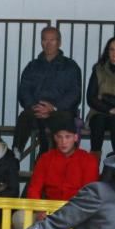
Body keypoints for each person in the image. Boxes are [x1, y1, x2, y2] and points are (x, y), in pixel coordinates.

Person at [13, 26, 82, 157]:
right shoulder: (32, 66)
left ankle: (56, 158)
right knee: (24, 117)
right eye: (45, 40)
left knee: (65, 119)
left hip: (60, 112)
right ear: (41, 42)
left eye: (52, 40)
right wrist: (35, 107)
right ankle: (16, 153)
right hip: (36, 110)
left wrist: (54, 108)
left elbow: (75, 94)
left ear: (59, 42)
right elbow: (24, 90)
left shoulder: (71, 66)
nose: (48, 44)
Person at [25, 117, 99, 203]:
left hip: (78, 210)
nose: (63, 141)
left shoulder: (89, 160)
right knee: (19, 216)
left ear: (75, 138)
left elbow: (89, 194)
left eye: (68, 137)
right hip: (48, 208)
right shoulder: (45, 158)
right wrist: (40, 210)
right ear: (55, 138)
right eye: (59, 137)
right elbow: (34, 189)